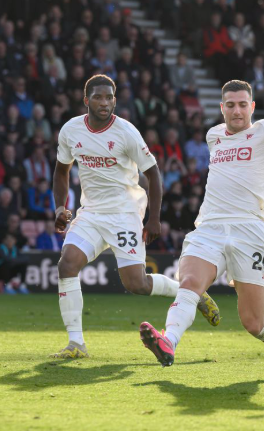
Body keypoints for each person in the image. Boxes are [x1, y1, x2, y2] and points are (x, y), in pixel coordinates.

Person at [138, 75, 264, 376]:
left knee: (254, 323)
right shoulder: (214, 135)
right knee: (188, 284)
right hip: (209, 227)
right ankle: (168, 341)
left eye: (242, 105)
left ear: (251, 106)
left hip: (250, 231)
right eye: (230, 106)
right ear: (221, 108)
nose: (237, 111)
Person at [51, 75, 221, 359]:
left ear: (115, 101)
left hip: (125, 213)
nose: (104, 103)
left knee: (136, 284)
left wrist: (153, 219)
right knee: (66, 265)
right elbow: (61, 171)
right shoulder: (71, 130)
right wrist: (59, 208)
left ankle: (190, 292)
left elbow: (153, 174)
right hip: (91, 213)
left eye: (109, 98)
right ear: (86, 101)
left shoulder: (126, 132)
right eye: (98, 97)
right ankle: (76, 345)